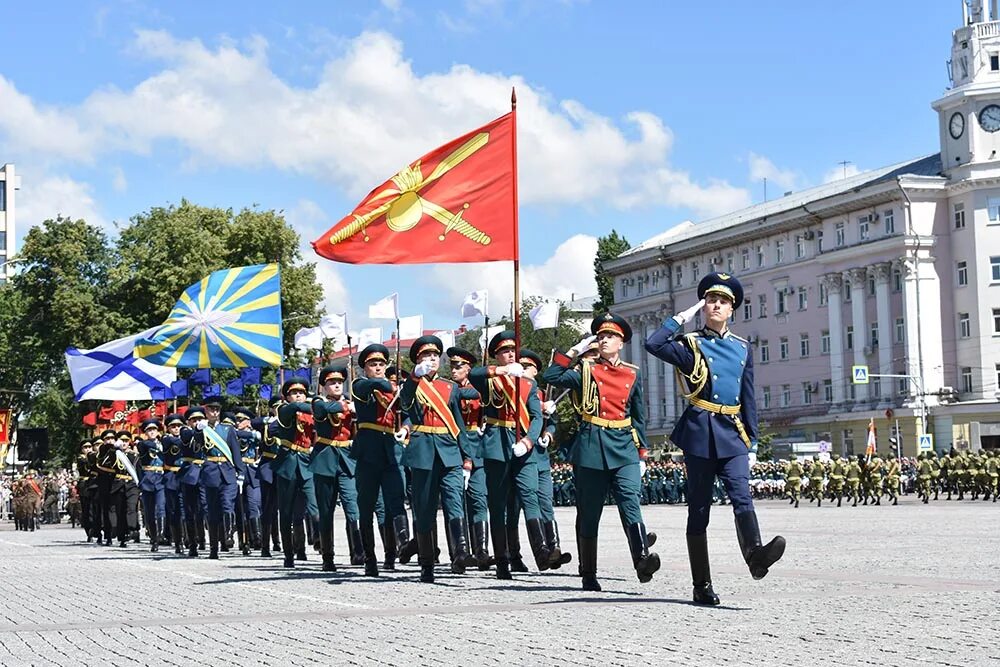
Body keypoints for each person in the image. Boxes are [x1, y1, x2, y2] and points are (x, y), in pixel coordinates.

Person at [645, 272, 785, 605]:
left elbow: (747, 395)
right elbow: (654, 344)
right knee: (699, 510)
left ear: (732, 309)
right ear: (703, 306)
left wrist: (751, 440)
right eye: (710, 300)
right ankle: (701, 584)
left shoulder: (742, 348)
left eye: (722, 301)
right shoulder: (690, 344)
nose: (716, 305)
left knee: (742, 495)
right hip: (700, 431)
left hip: (732, 433)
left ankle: (755, 555)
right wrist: (682, 317)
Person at [543, 314, 660, 591]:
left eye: (610, 336)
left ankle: (642, 560)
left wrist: (642, 450)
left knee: (630, 502)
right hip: (592, 446)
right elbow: (551, 375)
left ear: (621, 343)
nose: (604, 340)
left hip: (623, 446)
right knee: (589, 512)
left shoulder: (632, 373)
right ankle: (588, 572)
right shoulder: (586, 370)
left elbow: (638, 416)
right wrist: (573, 351)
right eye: (600, 336)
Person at [470, 331, 548, 580]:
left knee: (529, 493)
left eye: (513, 350)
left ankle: (541, 549)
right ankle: (502, 559)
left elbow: (536, 417)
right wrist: (501, 371)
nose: (511, 354)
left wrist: (528, 440)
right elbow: (473, 374)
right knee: (498, 504)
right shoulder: (491, 380)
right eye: (505, 351)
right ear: (497, 355)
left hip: (522, 446)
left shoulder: (529, 383)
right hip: (496, 444)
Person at [396, 335, 470, 582]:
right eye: (427, 356)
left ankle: (460, 554)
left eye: (435, 356)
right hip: (423, 452)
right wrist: (414, 376)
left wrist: (467, 457)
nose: (432, 360)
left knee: (454, 502)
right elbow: (405, 403)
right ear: (417, 361)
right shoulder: (412, 384)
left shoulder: (450, 387)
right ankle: (426, 563)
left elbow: (458, 424)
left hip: (449, 452)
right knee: (425, 509)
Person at [351, 344, 411, 577]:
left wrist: (405, 429)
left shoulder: (394, 391)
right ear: (365, 368)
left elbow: (407, 416)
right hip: (367, 451)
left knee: (394, 500)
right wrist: (394, 385)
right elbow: (373, 385)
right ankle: (369, 557)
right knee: (366, 507)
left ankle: (394, 551)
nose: (377, 368)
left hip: (390, 449)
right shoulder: (361, 385)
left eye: (381, 364)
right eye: (372, 364)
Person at [312, 365, 365, 571]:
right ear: (324, 386)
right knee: (326, 511)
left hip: (346, 459)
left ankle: (357, 552)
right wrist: (347, 408)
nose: (336, 385)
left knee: (353, 506)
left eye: (339, 383)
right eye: (331, 383)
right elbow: (324, 410)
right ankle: (328, 556)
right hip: (325, 458)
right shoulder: (319, 402)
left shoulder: (350, 404)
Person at [448, 346, 493, 570]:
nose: (454, 370)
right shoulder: (448, 390)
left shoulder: (480, 388)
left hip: (477, 446)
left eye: (459, 366)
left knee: (479, 499)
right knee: (456, 503)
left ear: (469, 369)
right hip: (455, 445)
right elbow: (463, 395)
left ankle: (482, 551)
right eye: (452, 366)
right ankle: (459, 552)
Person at [270, 377, 320, 568]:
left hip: (307, 463)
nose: (298, 395)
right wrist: (318, 405)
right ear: (287, 396)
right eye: (293, 393)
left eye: (301, 393)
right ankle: (289, 552)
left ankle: (318, 538)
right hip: (288, 463)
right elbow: (294, 409)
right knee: (287, 512)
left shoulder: (309, 414)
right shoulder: (284, 410)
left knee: (314, 506)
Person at [136, 418, 167, 552]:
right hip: (148, 480)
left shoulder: (165, 443)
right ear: (145, 432)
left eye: (154, 429)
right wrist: (159, 445)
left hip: (161, 479)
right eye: (149, 430)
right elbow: (144, 446)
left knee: (161, 508)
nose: (152, 432)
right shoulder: (143, 444)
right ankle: (153, 538)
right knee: (149, 513)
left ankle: (160, 535)